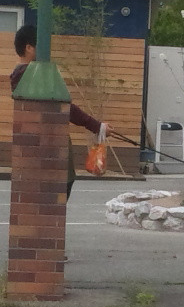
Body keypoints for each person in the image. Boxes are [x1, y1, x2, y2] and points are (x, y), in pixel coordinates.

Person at [11, 24, 112, 200]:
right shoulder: (31, 75)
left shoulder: (22, 74)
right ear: (29, 48)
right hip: (50, 147)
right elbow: (65, 107)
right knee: (59, 189)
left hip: (45, 146)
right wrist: (97, 126)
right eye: (42, 45)